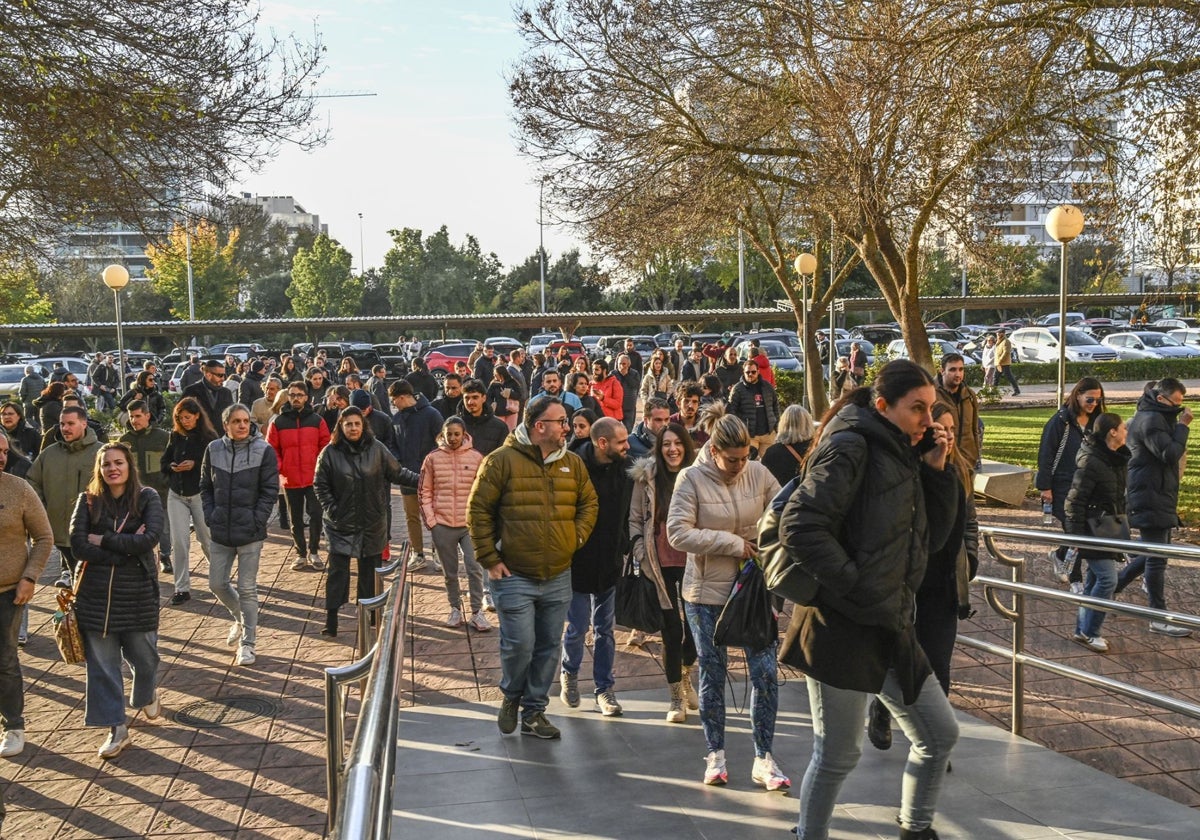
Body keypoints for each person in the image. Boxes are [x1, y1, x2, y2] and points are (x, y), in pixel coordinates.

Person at [778, 359, 960, 840]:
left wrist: (938, 473)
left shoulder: (906, 453)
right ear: (883, 406)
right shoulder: (850, 446)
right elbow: (798, 526)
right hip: (839, 625)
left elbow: (934, 540)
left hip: (891, 622)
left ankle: (915, 829)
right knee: (838, 754)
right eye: (917, 408)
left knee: (939, 735)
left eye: (932, 408)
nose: (929, 419)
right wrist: (855, 583)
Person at [666, 408, 786, 789]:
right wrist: (733, 543)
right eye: (732, 459)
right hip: (706, 593)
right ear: (714, 450)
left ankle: (764, 757)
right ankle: (715, 753)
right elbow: (677, 534)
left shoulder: (758, 472)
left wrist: (770, 540)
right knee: (713, 673)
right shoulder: (691, 478)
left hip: (753, 589)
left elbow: (784, 510)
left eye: (746, 456)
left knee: (766, 673)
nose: (740, 465)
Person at [468, 394, 598, 740]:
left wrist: (574, 538)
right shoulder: (500, 461)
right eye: (560, 421)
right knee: (519, 644)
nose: (566, 427)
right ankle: (512, 696)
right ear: (540, 426)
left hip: (558, 573)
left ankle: (535, 711)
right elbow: (477, 511)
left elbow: (589, 502)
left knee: (548, 646)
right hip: (512, 574)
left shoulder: (572, 462)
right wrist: (490, 558)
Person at [867, 399, 979, 753]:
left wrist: (970, 560)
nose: (943, 436)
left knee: (938, 665)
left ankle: (933, 742)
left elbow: (969, 524)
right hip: (910, 583)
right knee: (900, 659)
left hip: (944, 586)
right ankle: (881, 709)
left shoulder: (960, 472)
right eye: (936, 430)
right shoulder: (910, 470)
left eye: (948, 430)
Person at [69, 442, 164, 759]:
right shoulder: (88, 501)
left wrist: (106, 540)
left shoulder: (147, 497)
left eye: (118, 462)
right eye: (106, 463)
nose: (112, 468)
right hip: (95, 598)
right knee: (103, 668)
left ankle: (145, 695)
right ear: (99, 468)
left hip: (137, 594)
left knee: (146, 658)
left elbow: (149, 540)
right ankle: (117, 729)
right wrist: (122, 552)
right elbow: (78, 544)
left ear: (129, 466)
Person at [314, 406, 419, 637]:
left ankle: (371, 615)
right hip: (340, 524)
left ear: (364, 426)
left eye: (357, 423)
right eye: (348, 424)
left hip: (371, 521)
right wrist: (333, 510)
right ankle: (332, 620)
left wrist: (424, 480)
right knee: (337, 573)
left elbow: (398, 472)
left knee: (369, 573)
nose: (353, 428)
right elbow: (320, 485)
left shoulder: (377, 449)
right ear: (341, 426)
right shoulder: (330, 452)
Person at [560, 417, 632, 718]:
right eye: (621, 442)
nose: (627, 446)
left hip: (611, 562)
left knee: (605, 630)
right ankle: (570, 675)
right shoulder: (572, 468)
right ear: (603, 443)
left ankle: (604, 688)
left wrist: (626, 547)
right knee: (577, 627)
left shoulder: (626, 469)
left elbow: (631, 512)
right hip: (578, 562)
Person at [201, 404, 280, 667]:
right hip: (221, 529)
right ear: (226, 425)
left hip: (250, 531)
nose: (242, 425)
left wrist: (258, 519)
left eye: (246, 421)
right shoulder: (213, 450)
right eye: (236, 421)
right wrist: (211, 515)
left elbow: (270, 490)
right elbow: (206, 487)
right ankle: (240, 618)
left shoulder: (263, 450)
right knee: (216, 583)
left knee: (247, 588)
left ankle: (248, 643)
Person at [629, 422, 698, 723]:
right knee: (672, 630)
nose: (672, 449)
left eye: (677, 443)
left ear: (686, 446)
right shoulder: (646, 476)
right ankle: (675, 698)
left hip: (695, 561)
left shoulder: (698, 475)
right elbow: (634, 517)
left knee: (697, 630)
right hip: (659, 563)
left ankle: (685, 673)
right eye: (666, 444)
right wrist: (639, 550)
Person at [1114, 378, 1194, 636]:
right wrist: (1183, 427)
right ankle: (1157, 617)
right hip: (1149, 496)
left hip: (1157, 493)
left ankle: (1109, 589)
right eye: (1177, 403)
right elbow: (1170, 453)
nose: (1180, 409)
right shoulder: (1150, 421)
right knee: (1156, 558)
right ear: (1161, 399)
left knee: (1152, 553)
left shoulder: (1155, 416)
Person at [0, 431, 53, 758]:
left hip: (9, 591)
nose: (1, 456)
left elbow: (44, 537)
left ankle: (14, 725)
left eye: (4, 451)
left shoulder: (18, 489)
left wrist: (30, 577)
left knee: (4, 658)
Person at [418, 416, 490, 631]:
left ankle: (477, 612)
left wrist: (481, 520)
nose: (453, 438)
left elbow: (485, 491)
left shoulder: (477, 457)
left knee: (474, 568)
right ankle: (455, 608)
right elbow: (424, 491)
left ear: (464, 434)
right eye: (449, 434)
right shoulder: (432, 458)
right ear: (443, 434)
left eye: (457, 434)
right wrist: (432, 521)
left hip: (469, 525)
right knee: (450, 572)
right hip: (442, 524)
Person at [1066, 413, 1130, 653]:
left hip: (1108, 528)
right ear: (1112, 432)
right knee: (1107, 579)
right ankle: (1091, 631)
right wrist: (1075, 536)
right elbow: (1074, 500)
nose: (1127, 431)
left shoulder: (1116, 459)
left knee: (1095, 579)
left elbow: (1116, 496)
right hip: (1092, 529)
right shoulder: (1092, 460)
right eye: (1124, 428)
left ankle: (1082, 629)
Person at [1037, 378, 1105, 592]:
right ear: (1078, 395)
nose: (1093, 403)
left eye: (1098, 399)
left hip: (1088, 486)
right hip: (1062, 484)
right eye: (1090, 399)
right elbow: (1046, 454)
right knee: (1074, 530)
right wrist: (1045, 487)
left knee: (1080, 532)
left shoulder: (1098, 423)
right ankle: (1076, 579)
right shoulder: (1061, 421)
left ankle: (1059, 555)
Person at [29, 406, 102, 589]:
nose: (65, 428)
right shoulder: (49, 454)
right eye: (62, 424)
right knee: (77, 586)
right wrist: (42, 509)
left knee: (92, 584)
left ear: (84, 423)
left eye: (71, 423)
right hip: (61, 534)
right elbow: (32, 481)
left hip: (93, 534)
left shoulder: (101, 453)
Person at [267, 382, 330, 572]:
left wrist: (322, 470)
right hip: (290, 478)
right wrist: (280, 467)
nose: (296, 398)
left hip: (314, 478)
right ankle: (301, 554)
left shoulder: (317, 420)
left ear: (306, 397)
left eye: (300, 395)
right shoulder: (278, 422)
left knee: (316, 515)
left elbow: (325, 446)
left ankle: (314, 551)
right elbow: (271, 449)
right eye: (292, 395)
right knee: (295, 519)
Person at [161, 398, 216, 606]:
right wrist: (172, 467)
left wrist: (195, 464)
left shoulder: (208, 438)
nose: (184, 421)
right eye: (180, 418)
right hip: (176, 494)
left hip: (199, 494)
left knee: (206, 538)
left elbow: (214, 466)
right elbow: (164, 462)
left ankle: (219, 578)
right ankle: (181, 588)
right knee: (179, 542)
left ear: (197, 416)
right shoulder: (174, 436)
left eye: (187, 417)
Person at [388, 380, 444, 572]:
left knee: (434, 516)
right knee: (412, 516)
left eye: (394, 400)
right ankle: (418, 554)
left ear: (402, 398)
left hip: (431, 476)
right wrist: (398, 462)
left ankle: (439, 553)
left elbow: (442, 443)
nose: (394, 404)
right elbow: (392, 444)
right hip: (406, 477)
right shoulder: (397, 420)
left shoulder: (432, 415)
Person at [120, 401, 172, 574]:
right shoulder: (124, 441)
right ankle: (144, 560)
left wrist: (167, 482)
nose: (134, 420)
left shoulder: (163, 437)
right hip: (135, 494)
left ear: (147, 415)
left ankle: (165, 556)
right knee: (137, 528)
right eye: (132, 416)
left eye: (138, 416)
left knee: (163, 529)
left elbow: (171, 463)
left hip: (161, 492)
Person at [935, 353, 981, 472]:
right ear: (942, 371)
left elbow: (974, 429)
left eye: (961, 369)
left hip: (967, 461)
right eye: (952, 370)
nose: (958, 374)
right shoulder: (932, 395)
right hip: (941, 461)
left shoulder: (969, 395)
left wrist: (975, 455)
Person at [728, 359, 780, 456]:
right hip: (749, 435)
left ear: (758, 371)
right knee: (749, 465)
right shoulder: (738, 389)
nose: (750, 374)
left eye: (753, 372)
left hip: (768, 434)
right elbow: (732, 411)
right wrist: (740, 429)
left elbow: (775, 406)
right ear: (743, 372)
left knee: (767, 465)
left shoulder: (767, 386)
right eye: (747, 372)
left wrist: (776, 426)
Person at [760, 404, 815, 486]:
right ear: (808, 424)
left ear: (783, 424)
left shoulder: (772, 453)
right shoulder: (817, 449)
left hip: (781, 497)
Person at [459, 378, 510, 456]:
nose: (470, 402)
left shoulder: (500, 427)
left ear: (484, 398)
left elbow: (503, 458)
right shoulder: (456, 424)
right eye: (467, 398)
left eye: (475, 397)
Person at [182, 359, 234, 432]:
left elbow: (231, 416)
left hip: (220, 438)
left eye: (224, 375)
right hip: (198, 438)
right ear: (208, 375)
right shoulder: (191, 391)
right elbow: (181, 416)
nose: (223, 378)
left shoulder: (226, 393)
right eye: (220, 375)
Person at [487, 365, 525, 431]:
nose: (494, 376)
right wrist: (491, 405)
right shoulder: (493, 384)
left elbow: (519, 395)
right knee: (499, 431)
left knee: (510, 432)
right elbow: (488, 397)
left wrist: (510, 393)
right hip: (499, 412)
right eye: (494, 374)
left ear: (502, 374)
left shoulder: (512, 382)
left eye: (496, 374)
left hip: (511, 411)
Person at [612, 353, 641, 432]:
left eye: (624, 364)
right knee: (614, 430)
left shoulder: (634, 374)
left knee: (628, 430)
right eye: (620, 364)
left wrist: (626, 375)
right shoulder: (613, 374)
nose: (622, 366)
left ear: (628, 364)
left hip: (629, 407)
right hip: (616, 407)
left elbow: (635, 385)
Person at [993, 328, 1020, 396]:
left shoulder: (1006, 341)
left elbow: (1006, 352)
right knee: (995, 377)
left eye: (999, 333)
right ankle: (993, 391)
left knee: (1009, 377)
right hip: (998, 363)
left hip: (1004, 363)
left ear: (1003, 333)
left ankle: (1016, 390)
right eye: (997, 333)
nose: (997, 335)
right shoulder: (999, 341)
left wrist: (1000, 360)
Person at [17, 366, 45, 430]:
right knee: (38, 418)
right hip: (39, 402)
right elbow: (45, 389)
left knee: (27, 418)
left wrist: (23, 400)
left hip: (28, 403)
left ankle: (31, 430)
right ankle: (39, 430)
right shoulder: (41, 378)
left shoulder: (25, 379)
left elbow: (22, 392)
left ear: (26, 371)